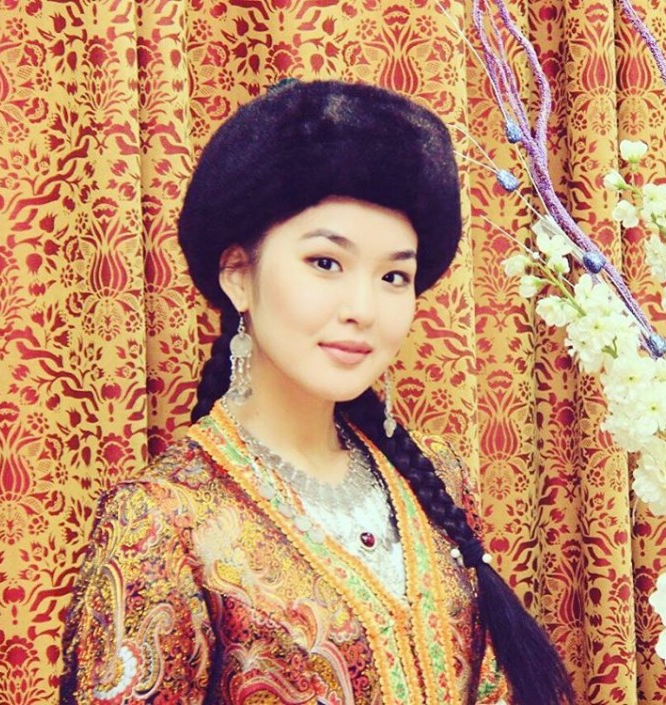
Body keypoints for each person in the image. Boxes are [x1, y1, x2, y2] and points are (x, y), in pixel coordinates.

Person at [60, 79, 574, 705]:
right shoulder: (163, 521)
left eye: (394, 276)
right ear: (238, 275)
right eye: (326, 263)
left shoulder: (436, 477)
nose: (363, 308)